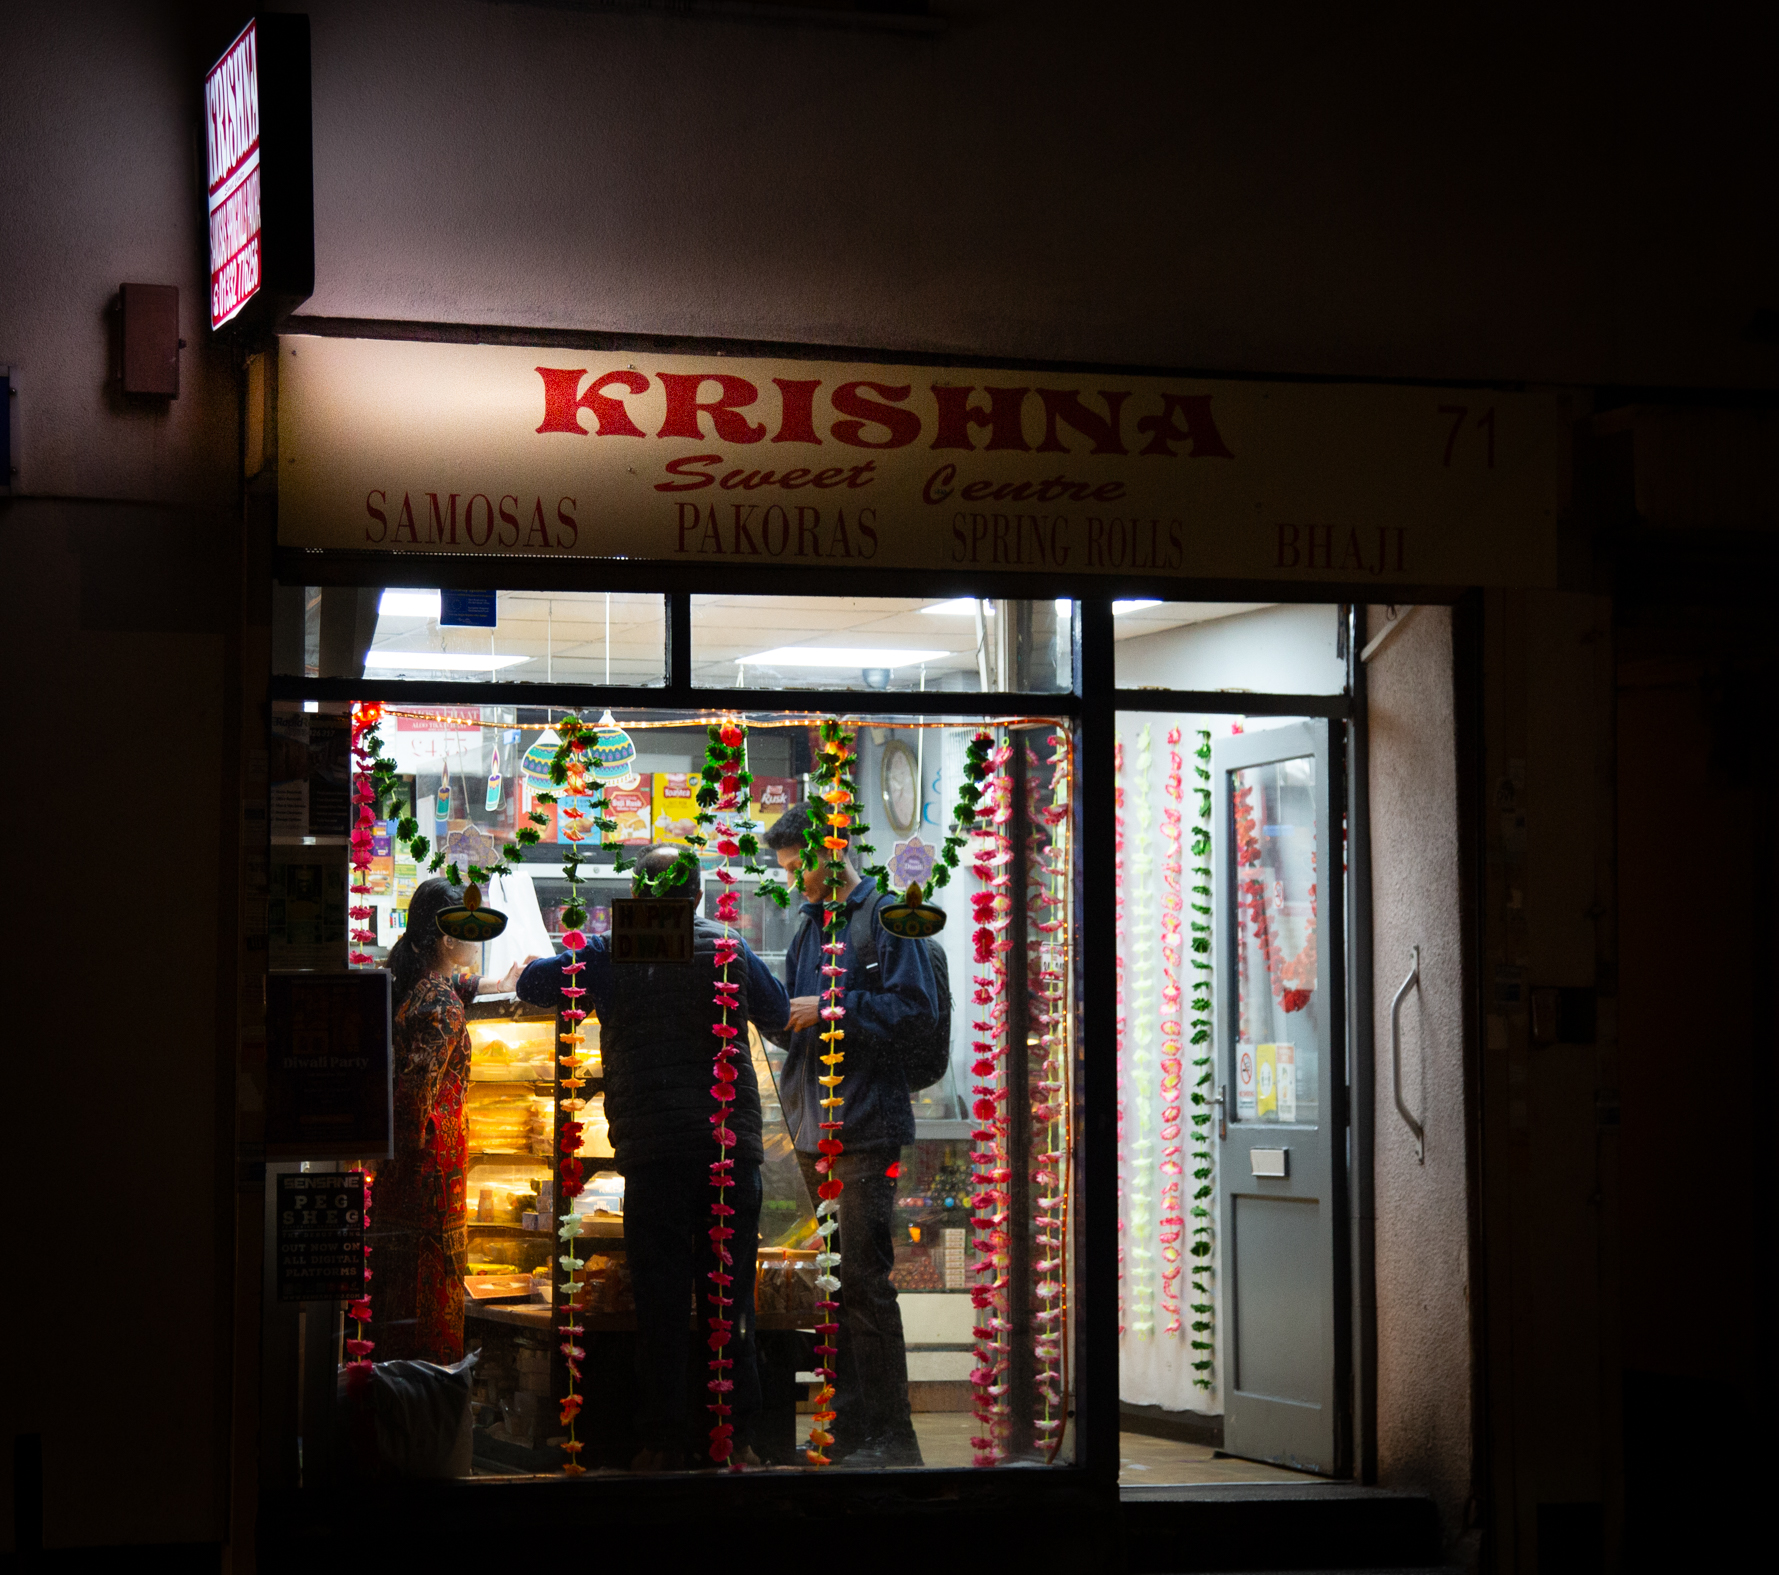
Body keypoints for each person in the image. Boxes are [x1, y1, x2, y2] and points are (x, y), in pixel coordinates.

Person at [516, 843, 790, 1470]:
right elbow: (777, 1011)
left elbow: (535, 986)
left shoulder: (610, 951)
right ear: (697, 896)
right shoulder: (727, 947)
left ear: (637, 895)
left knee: (661, 1302)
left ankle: (661, 1442)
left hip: (654, 1153)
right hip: (728, 1152)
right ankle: (736, 1438)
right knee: (730, 1300)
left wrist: (560, 956)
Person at [762, 801, 942, 1468]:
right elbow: (796, 1020)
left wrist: (832, 1007)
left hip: (865, 1126)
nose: (791, 881)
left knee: (865, 1282)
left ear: (828, 852)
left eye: (796, 868)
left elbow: (915, 1013)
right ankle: (845, 1429)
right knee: (835, 1284)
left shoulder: (888, 917)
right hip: (815, 1129)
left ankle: (892, 1439)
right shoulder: (808, 927)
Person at [374, 876, 523, 1365]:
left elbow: (448, 986)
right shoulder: (441, 1008)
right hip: (431, 1177)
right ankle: (429, 1384)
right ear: (446, 938)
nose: (476, 941)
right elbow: (415, 1101)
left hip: (401, 1177)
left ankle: (396, 1384)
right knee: (429, 1291)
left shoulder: (415, 985)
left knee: (395, 1295)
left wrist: (492, 985)